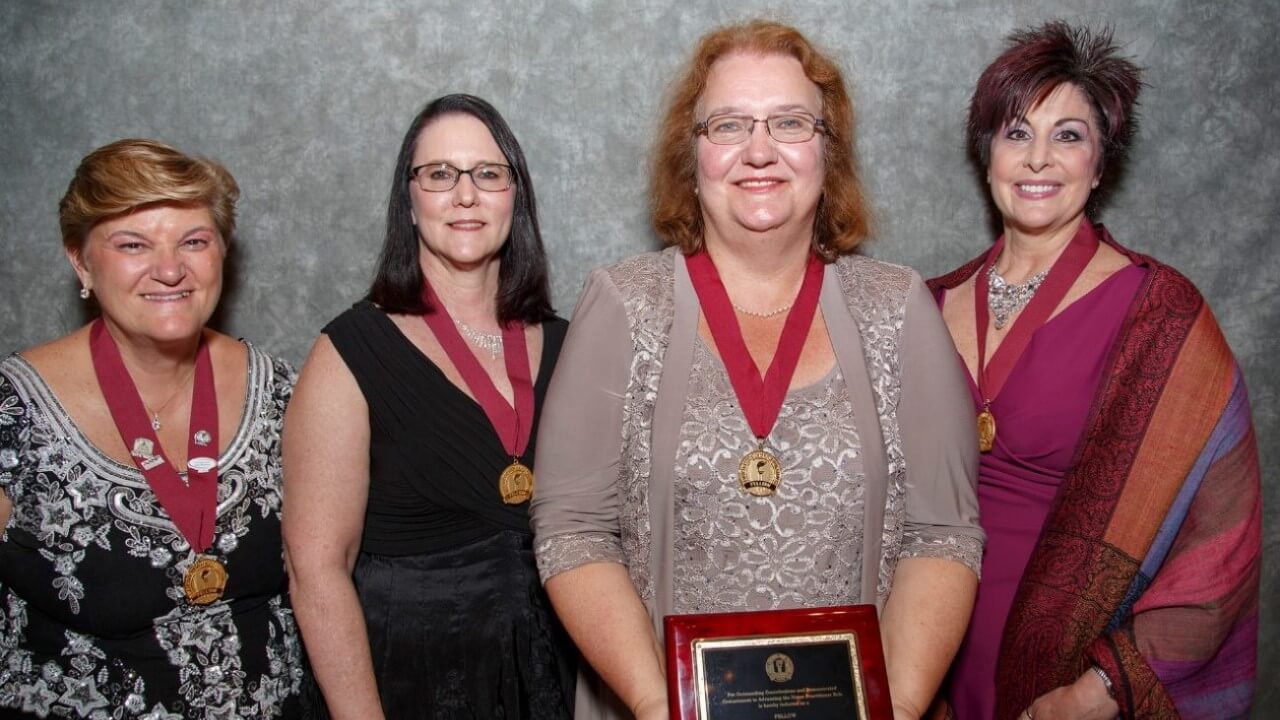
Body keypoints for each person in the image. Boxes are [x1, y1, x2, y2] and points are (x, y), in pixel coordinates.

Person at [530, 20, 984, 720]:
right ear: (694, 153)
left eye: (791, 122)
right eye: (730, 125)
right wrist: (659, 706)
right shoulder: (622, 304)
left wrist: (890, 708)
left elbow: (943, 534)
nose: (760, 151)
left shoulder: (898, 308)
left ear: (828, 152)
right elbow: (573, 529)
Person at [929, 21, 1261, 720]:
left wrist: (1100, 690)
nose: (1038, 159)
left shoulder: (1161, 316)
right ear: (986, 153)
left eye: (1068, 135)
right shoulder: (922, 305)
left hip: (1071, 681)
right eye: (1016, 133)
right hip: (922, 661)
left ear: (1101, 164)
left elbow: (1222, 544)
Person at [283, 93, 575, 719]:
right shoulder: (349, 352)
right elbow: (316, 573)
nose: (465, 195)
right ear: (408, 201)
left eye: (488, 174)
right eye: (439, 174)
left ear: (515, 196)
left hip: (549, 685)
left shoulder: (569, 345)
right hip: (400, 686)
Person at [0, 138, 303, 718]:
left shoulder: (285, 391)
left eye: (194, 241)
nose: (170, 269)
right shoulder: (14, 411)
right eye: (133, 245)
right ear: (81, 261)